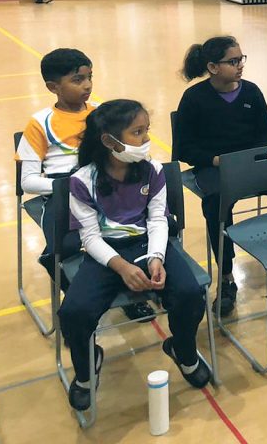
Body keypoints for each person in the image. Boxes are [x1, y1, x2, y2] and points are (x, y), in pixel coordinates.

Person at [59, 100, 211, 411]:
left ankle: (183, 351)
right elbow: (89, 237)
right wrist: (121, 267)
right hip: (106, 253)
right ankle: (87, 371)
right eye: (137, 132)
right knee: (74, 312)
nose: (146, 140)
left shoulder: (153, 170)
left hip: (148, 244)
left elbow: (157, 219)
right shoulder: (82, 180)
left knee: (189, 294)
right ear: (109, 141)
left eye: (146, 131)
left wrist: (156, 256)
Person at [174, 36, 267, 317]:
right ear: (212, 67)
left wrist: (251, 157)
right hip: (213, 167)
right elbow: (184, 148)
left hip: (251, 163)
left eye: (241, 59)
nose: (240, 66)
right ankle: (226, 278)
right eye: (232, 61)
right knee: (215, 202)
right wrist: (214, 160)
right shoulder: (194, 98)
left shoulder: (251, 92)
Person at [14, 48, 153, 321]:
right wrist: (69, 184)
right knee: (65, 247)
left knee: (128, 233)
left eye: (90, 76)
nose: (88, 85)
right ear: (53, 87)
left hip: (104, 184)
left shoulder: (103, 114)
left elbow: (125, 152)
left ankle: (128, 289)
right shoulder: (39, 123)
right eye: (78, 79)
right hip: (62, 191)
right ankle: (73, 294)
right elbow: (28, 181)